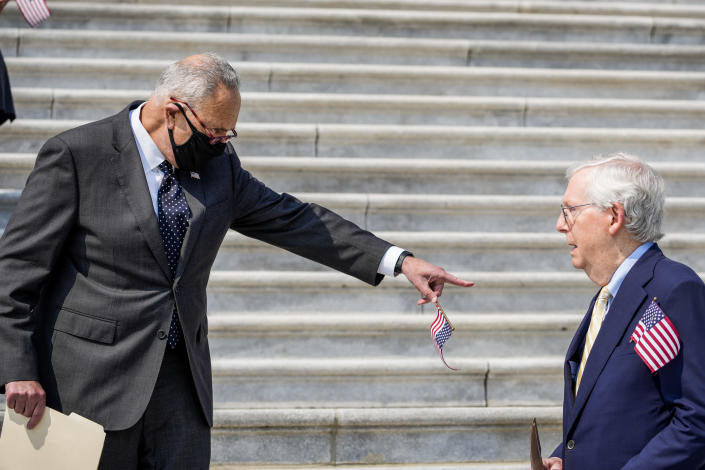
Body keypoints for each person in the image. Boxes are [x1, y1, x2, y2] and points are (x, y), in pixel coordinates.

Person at [0, 53, 473, 469]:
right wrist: (17, 367)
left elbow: (295, 218)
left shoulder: (217, 166)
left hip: (180, 391)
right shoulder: (76, 155)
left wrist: (399, 260)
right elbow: (15, 271)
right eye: (214, 131)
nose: (223, 143)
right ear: (171, 112)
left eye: (229, 133)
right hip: (87, 387)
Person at [543, 153, 705, 470]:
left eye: (570, 211)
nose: (561, 225)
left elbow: (698, 418)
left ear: (614, 216)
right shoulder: (609, 294)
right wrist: (566, 456)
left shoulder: (675, 289)